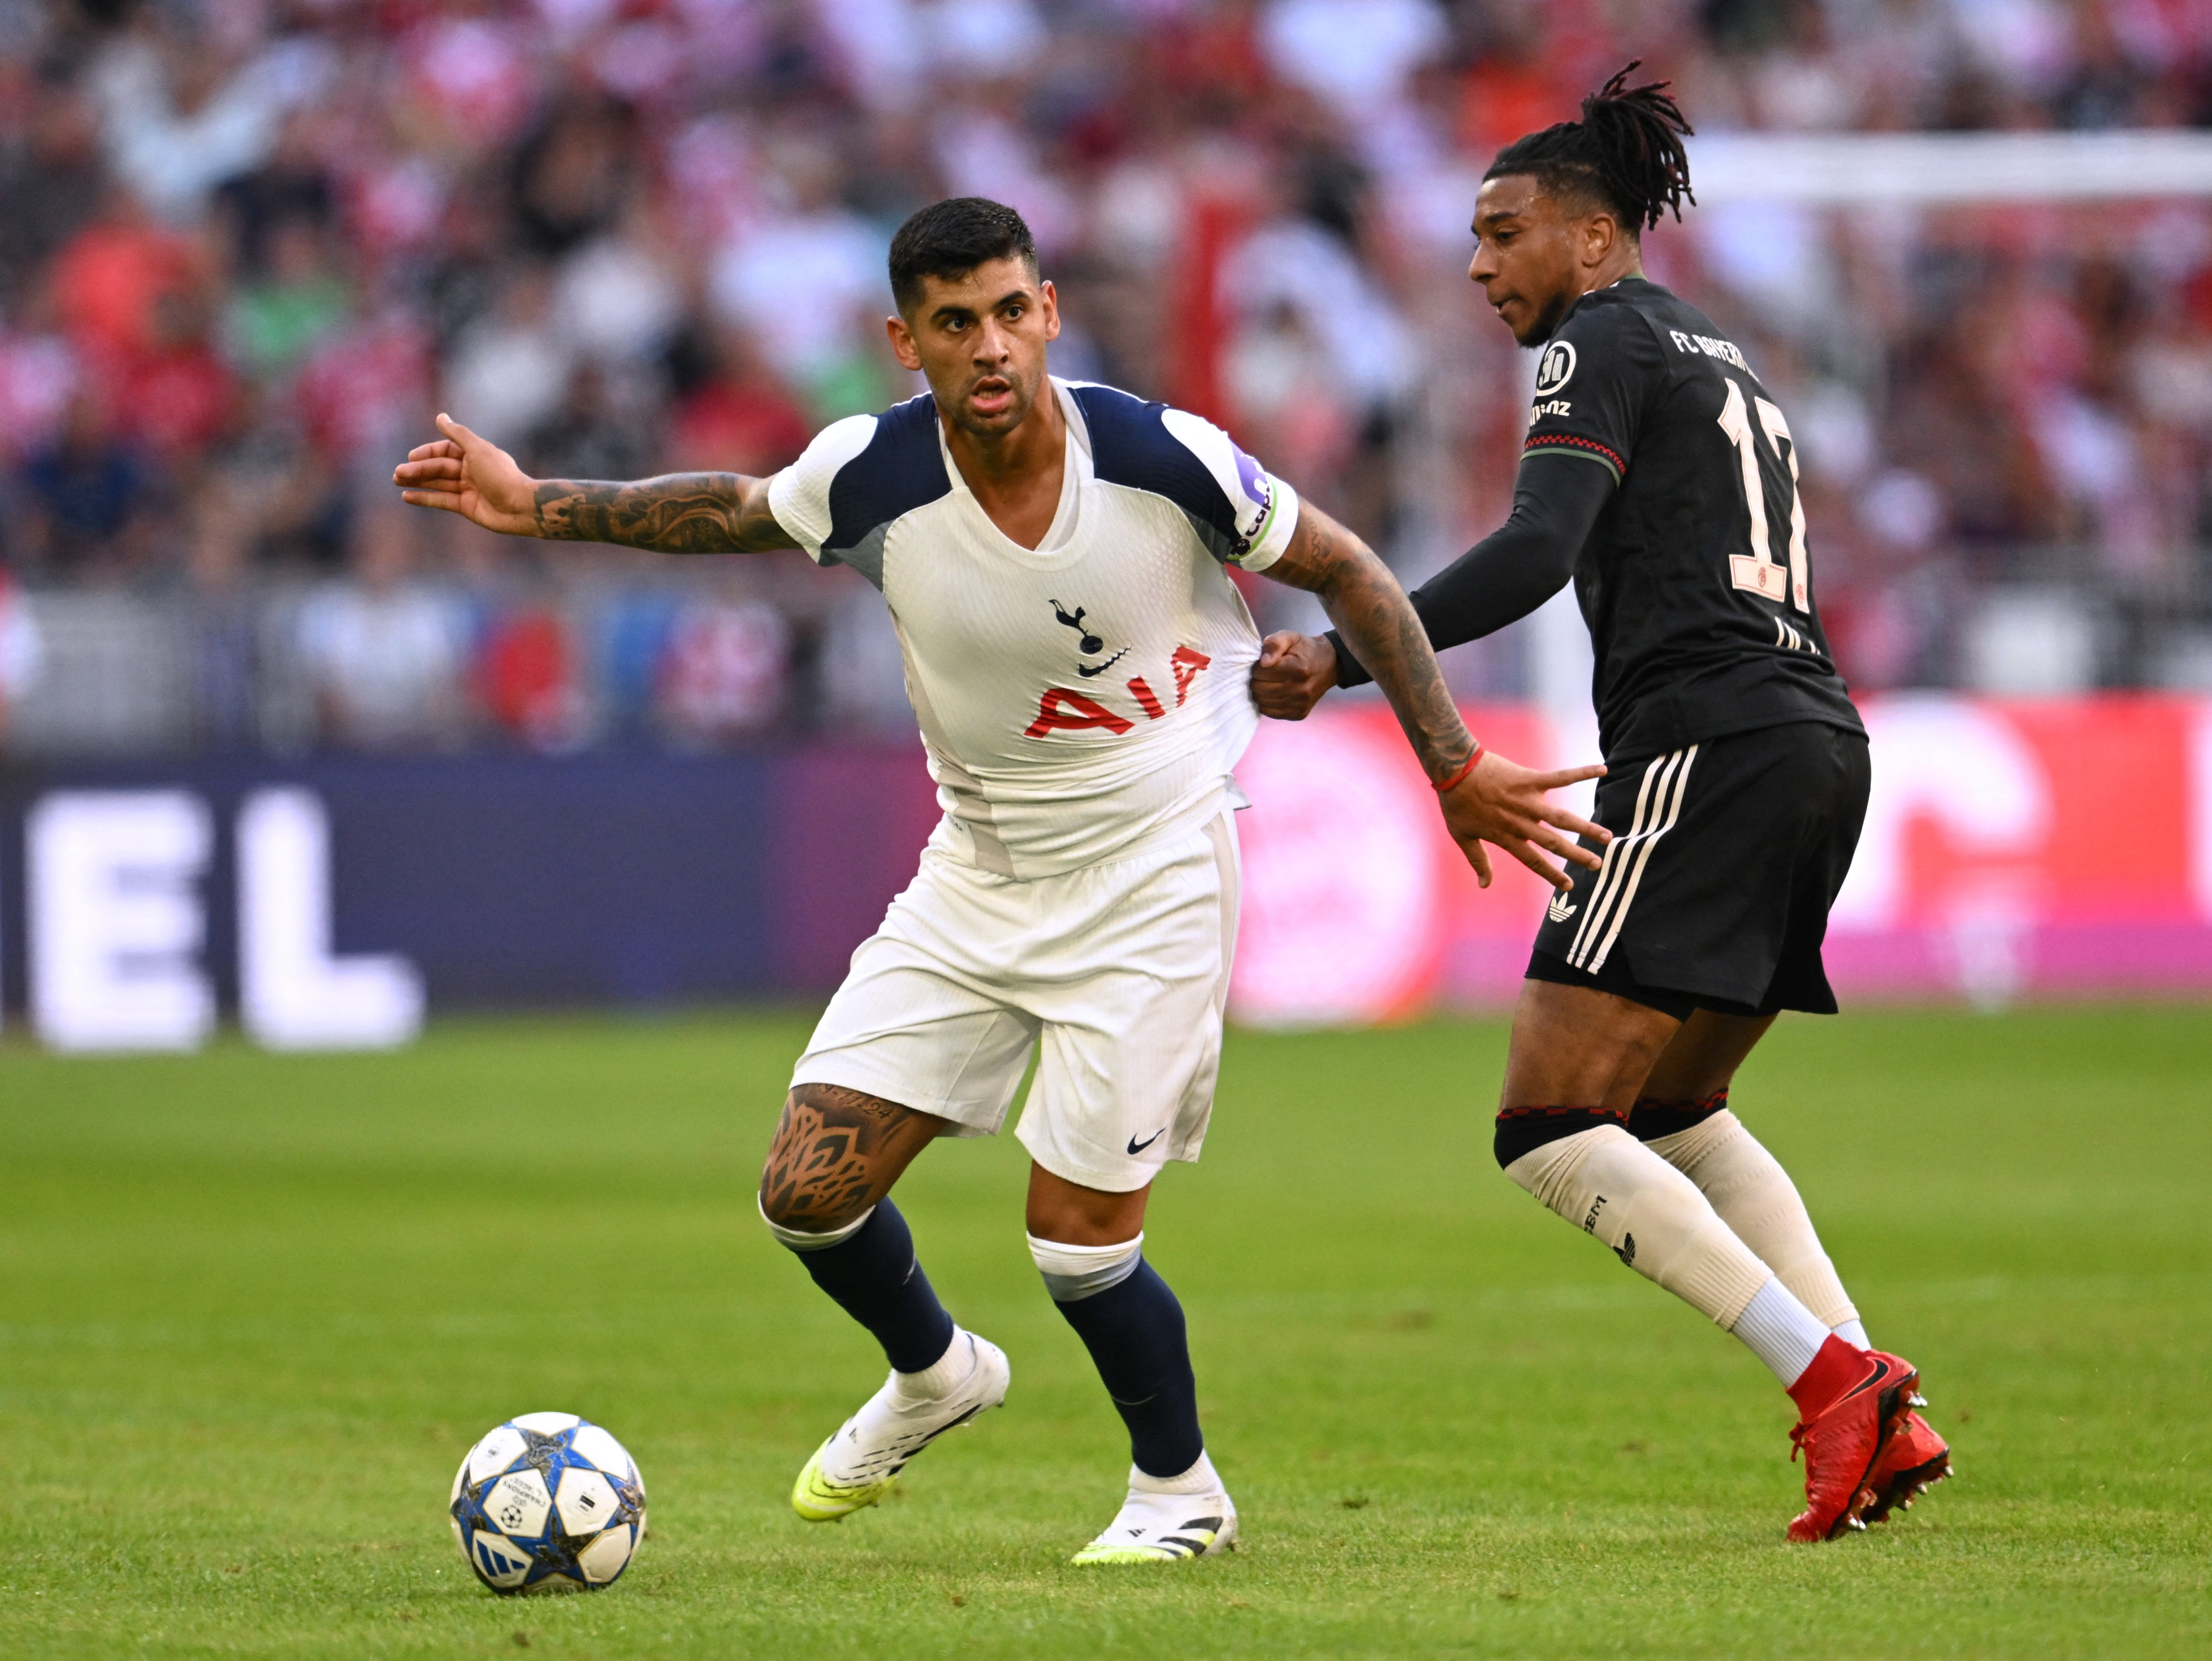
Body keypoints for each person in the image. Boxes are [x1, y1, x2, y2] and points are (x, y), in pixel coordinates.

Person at [396, 196, 1604, 1564]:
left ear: (1047, 314)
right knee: (804, 1193)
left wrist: (1451, 763)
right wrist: (531, 505)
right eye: (954, 322)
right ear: (903, 341)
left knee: (1075, 1241)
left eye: (1009, 313)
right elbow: (727, 511)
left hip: (1153, 870)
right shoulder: (867, 475)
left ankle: (1179, 1492)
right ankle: (935, 1373)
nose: (988, 346)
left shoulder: (1153, 453)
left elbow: (1347, 569)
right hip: (976, 873)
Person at [1250, 67, 1949, 1543]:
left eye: (1502, 231)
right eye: (1472, 236)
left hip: (1707, 742)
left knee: (1549, 1120)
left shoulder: (1597, 340)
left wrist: (1346, 647)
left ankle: (1832, 1380)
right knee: (1675, 1107)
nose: (1477, 263)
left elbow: (1533, 549)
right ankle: (1879, 1399)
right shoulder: (1721, 350)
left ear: (1591, 233)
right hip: (1815, 738)